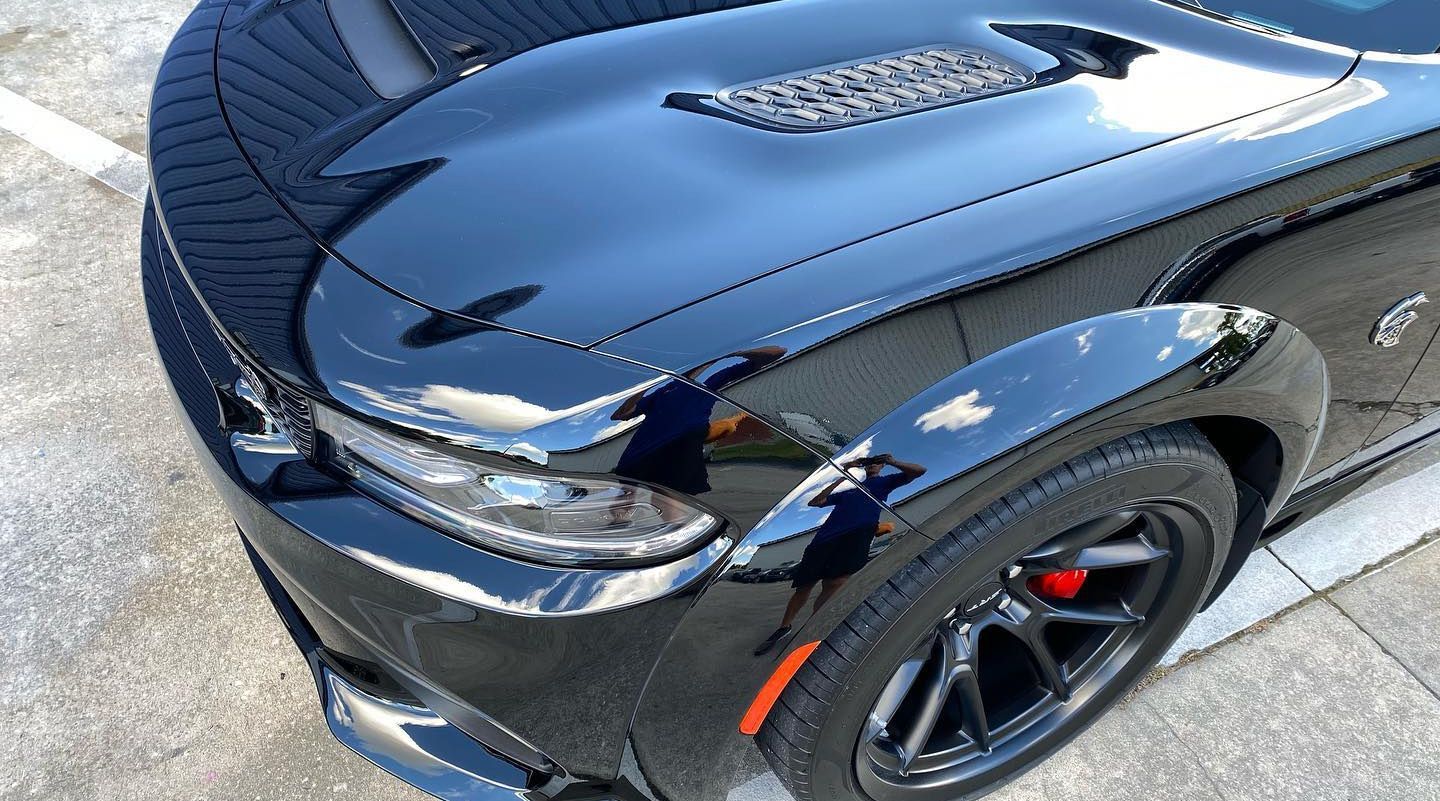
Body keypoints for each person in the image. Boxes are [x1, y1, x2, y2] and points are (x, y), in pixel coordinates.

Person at [753, 454, 926, 655]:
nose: (872, 465)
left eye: (877, 463)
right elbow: (815, 502)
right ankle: (784, 628)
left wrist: (892, 461)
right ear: (864, 467)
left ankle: (811, 629)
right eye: (869, 463)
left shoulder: (885, 483)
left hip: (855, 540)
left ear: (881, 467)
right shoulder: (849, 491)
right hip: (825, 540)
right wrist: (843, 474)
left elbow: (919, 471)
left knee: (834, 584)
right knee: (804, 585)